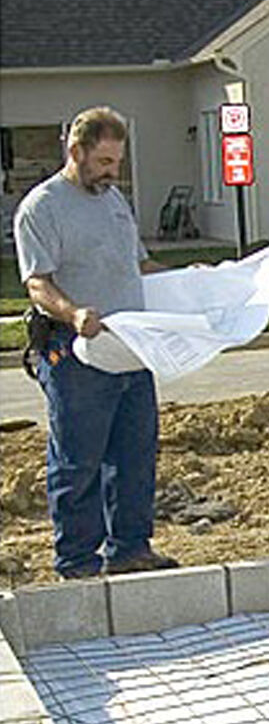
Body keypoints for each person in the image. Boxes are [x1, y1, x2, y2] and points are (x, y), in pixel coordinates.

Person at [13, 106, 181, 580]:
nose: (113, 172)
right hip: (73, 350)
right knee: (78, 459)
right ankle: (78, 562)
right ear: (76, 151)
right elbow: (38, 284)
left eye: (118, 163)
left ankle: (129, 548)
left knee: (134, 453)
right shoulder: (42, 208)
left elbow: (138, 267)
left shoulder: (113, 201)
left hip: (129, 347)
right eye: (105, 162)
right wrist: (74, 313)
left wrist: (196, 282)